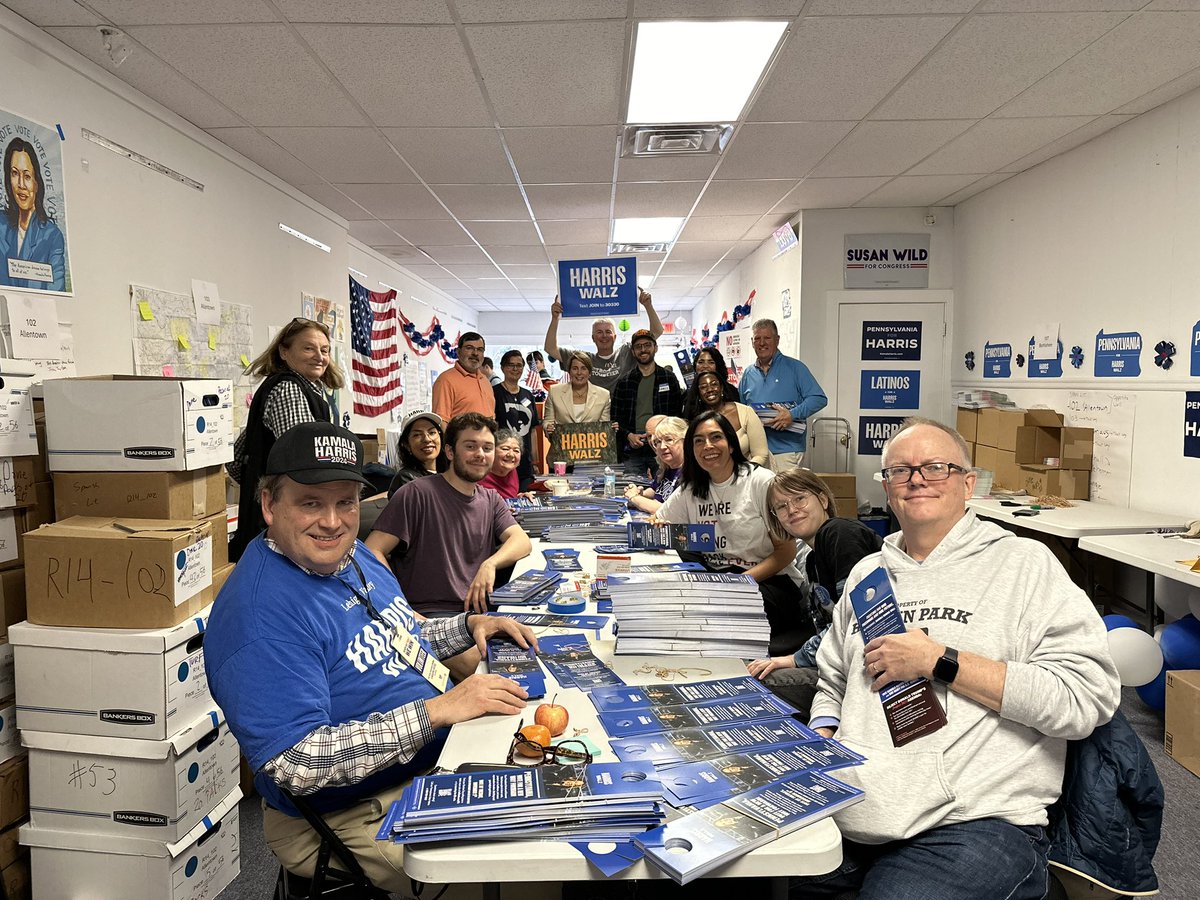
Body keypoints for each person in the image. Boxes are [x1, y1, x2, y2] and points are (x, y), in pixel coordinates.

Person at [203, 421, 536, 892]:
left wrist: (467, 627)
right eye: (310, 503)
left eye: (346, 502)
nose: (333, 521)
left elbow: (402, 633)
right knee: (524, 866)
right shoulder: (259, 618)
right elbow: (296, 761)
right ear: (268, 505)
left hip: (436, 756)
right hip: (353, 809)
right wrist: (437, 711)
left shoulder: (349, 555)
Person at [795, 417, 1120, 900]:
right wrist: (822, 737)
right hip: (853, 805)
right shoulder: (867, 573)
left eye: (936, 467)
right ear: (886, 488)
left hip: (976, 820)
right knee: (737, 876)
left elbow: (1084, 698)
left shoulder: (1025, 565)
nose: (917, 479)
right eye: (901, 471)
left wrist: (939, 660)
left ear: (969, 483)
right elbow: (834, 680)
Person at [655, 411, 810, 654]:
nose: (707, 446)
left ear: (730, 444)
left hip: (769, 582)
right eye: (698, 440)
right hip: (720, 580)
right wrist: (659, 530)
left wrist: (740, 582)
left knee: (706, 623)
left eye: (715, 437)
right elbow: (660, 519)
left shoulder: (760, 481)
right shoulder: (691, 489)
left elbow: (786, 553)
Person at [365, 412, 532, 617]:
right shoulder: (416, 493)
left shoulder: (490, 499)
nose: (480, 454)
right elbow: (372, 551)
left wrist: (490, 564)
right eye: (470, 446)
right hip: (431, 614)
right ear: (450, 452)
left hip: (477, 613)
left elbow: (521, 540)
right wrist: (401, 608)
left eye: (487, 448)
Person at [747, 468, 882, 717]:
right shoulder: (812, 560)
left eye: (799, 498)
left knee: (752, 686)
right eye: (781, 507)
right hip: (837, 664)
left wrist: (795, 658)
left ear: (822, 499)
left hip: (863, 672)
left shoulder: (840, 533)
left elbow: (854, 623)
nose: (792, 510)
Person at [228, 317, 342, 562]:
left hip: (264, 512)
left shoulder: (295, 389)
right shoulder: (289, 390)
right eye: (308, 348)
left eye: (325, 350)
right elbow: (306, 462)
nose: (319, 357)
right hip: (284, 519)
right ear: (284, 351)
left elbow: (236, 459)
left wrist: (258, 484)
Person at [738, 318, 828, 470]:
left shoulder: (795, 368)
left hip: (786, 451)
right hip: (755, 451)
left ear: (777, 340)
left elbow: (819, 398)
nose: (762, 343)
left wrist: (792, 415)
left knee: (783, 494)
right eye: (757, 339)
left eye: (767, 338)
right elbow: (742, 410)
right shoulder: (748, 374)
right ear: (752, 342)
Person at [543, 289, 664, 392]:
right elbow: (550, 348)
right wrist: (555, 318)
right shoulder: (583, 359)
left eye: (608, 332)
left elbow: (657, 331)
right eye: (599, 332)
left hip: (623, 412)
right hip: (594, 415)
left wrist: (648, 306)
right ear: (593, 338)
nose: (604, 336)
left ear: (615, 337)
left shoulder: (627, 352)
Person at [0, 138, 66, 292]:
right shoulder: (1, 225)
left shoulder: (52, 236)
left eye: (27, 176)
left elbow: (56, 291)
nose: (21, 184)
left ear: (37, 183)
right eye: (15, 174)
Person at [611, 329, 683, 467]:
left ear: (655, 348)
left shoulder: (669, 378)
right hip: (633, 448)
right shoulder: (624, 382)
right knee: (631, 487)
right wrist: (628, 435)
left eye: (647, 345)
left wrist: (664, 436)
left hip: (663, 447)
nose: (643, 349)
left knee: (665, 486)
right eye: (638, 346)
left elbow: (677, 414)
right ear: (633, 352)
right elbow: (615, 418)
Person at [685, 371, 771, 467]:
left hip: (749, 474)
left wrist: (741, 475)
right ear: (698, 394)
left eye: (714, 384)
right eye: (703, 387)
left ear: (721, 388)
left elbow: (761, 454)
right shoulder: (696, 422)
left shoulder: (745, 412)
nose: (710, 389)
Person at [493, 349, 541, 489]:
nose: (515, 369)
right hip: (503, 461)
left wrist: (535, 462)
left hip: (525, 464)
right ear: (502, 367)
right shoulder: (494, 393)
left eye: (519, 365)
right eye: (511, 365)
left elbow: (532, 430)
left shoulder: (528, 395)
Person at [624, 415, 686, 515]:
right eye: (657, 442)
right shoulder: (666, 466)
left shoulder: (692, 472)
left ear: (685, 440)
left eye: (669, 440)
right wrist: (640, 493)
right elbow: (657, 490)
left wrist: (634, 497)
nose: (662, 446)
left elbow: (667, 510)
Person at [431, 332, 495, 423]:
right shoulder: (445, 380)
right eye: (469, 348)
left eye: (480, 349)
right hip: (461, 438)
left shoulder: (485, 381)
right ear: (458, 352)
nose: (475, 353)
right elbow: (441, 422)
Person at [542, 352, 612, 434]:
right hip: (562, 445)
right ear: (569, 372)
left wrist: (610, 429)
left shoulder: (604, 395)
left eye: (583, 368)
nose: (579, 373)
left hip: (592, 446)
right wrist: (548, 427)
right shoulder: (554, 391)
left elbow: (603, 428)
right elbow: (548, 421)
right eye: (575, 368)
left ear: (589, 373)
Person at [387, 411, 445, 496]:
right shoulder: (406, 479)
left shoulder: (449, 472)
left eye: (432, 432)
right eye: (417, 435)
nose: (427, 439)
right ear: (406, 445)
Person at [478, 428, 525, 500]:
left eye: (516, 450)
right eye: (505, 449)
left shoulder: (512, 471)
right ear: (492, 451)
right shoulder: (479, 475)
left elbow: (508, 498)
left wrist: (520, 499)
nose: (511, 455)